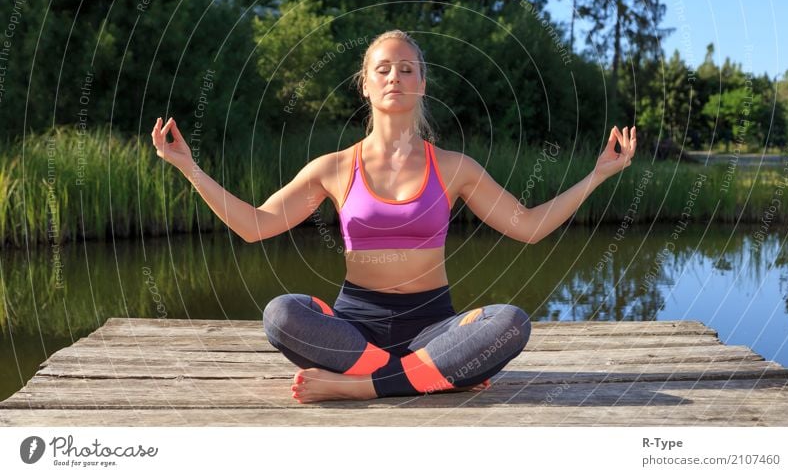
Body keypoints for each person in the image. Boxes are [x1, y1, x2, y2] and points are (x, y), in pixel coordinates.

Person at [151, 30, 637, 403]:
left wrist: (597, 175)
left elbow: (528, 227)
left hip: (434, 326)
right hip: (354, 327)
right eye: (383, 69)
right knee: (281, 315)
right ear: (365, 85)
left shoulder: (453, 168)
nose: (394, 78)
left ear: (422, 84)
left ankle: (363, 386)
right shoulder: (334, 167)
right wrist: (189, 167)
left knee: (509, 323)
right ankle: (431, 375)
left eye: (407, 69)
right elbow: (255, 226)